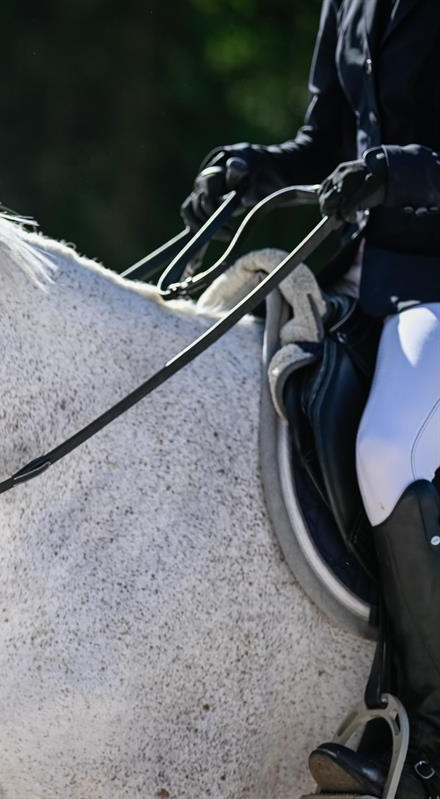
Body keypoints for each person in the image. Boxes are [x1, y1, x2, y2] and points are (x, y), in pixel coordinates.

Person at [182, 2, 440, 795]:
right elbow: (320, 146)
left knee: (387, 449)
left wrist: (402, 175)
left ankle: (429, 742)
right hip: (357, 281)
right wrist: (250, 168)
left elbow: (387, 165)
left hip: (432, 286)